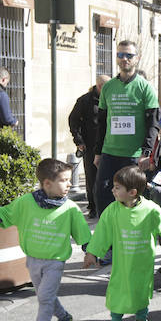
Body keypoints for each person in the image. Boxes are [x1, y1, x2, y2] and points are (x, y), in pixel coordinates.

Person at [0, 158, 91, 321]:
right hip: (33, 260)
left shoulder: (70, 208)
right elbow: (7, 213)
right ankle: (64, 317)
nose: (70, 184)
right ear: (47, 183)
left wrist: (90, 252)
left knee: (44, 298)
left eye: (70, 180)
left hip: (55, 262)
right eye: (64, 180)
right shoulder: (26, 202)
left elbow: (83, 234)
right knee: (46, 295)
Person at [84, 166, 161, 321]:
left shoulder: (150, 210)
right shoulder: (113, 210)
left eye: (117, 187)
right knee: (118, 288)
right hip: (121, 262)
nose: (113, 190)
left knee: (140, 289)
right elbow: (102, 232)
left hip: (142, 263)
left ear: (132, 192)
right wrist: (92, 252)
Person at [94, 40, 159, 215]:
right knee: (102, 195)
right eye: (120, 55)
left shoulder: (145, 88)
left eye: (129, 55)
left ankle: (128, 234)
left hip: (134, 155)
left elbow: (153, 123)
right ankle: (105, 235)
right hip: (110, 152)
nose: (124, 59)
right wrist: (98, 152)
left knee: (131, 199)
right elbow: (101, 122)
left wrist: (146, 153)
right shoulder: (108, 87)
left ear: (137, 58)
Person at [69, 74, 108, 217]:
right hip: (90, 145)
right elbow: (73, 121)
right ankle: (93, 207)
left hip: (109, 144)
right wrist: (79, 141)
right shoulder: (84, 101)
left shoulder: (112, 99)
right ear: (99, 87)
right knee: (92, 177)